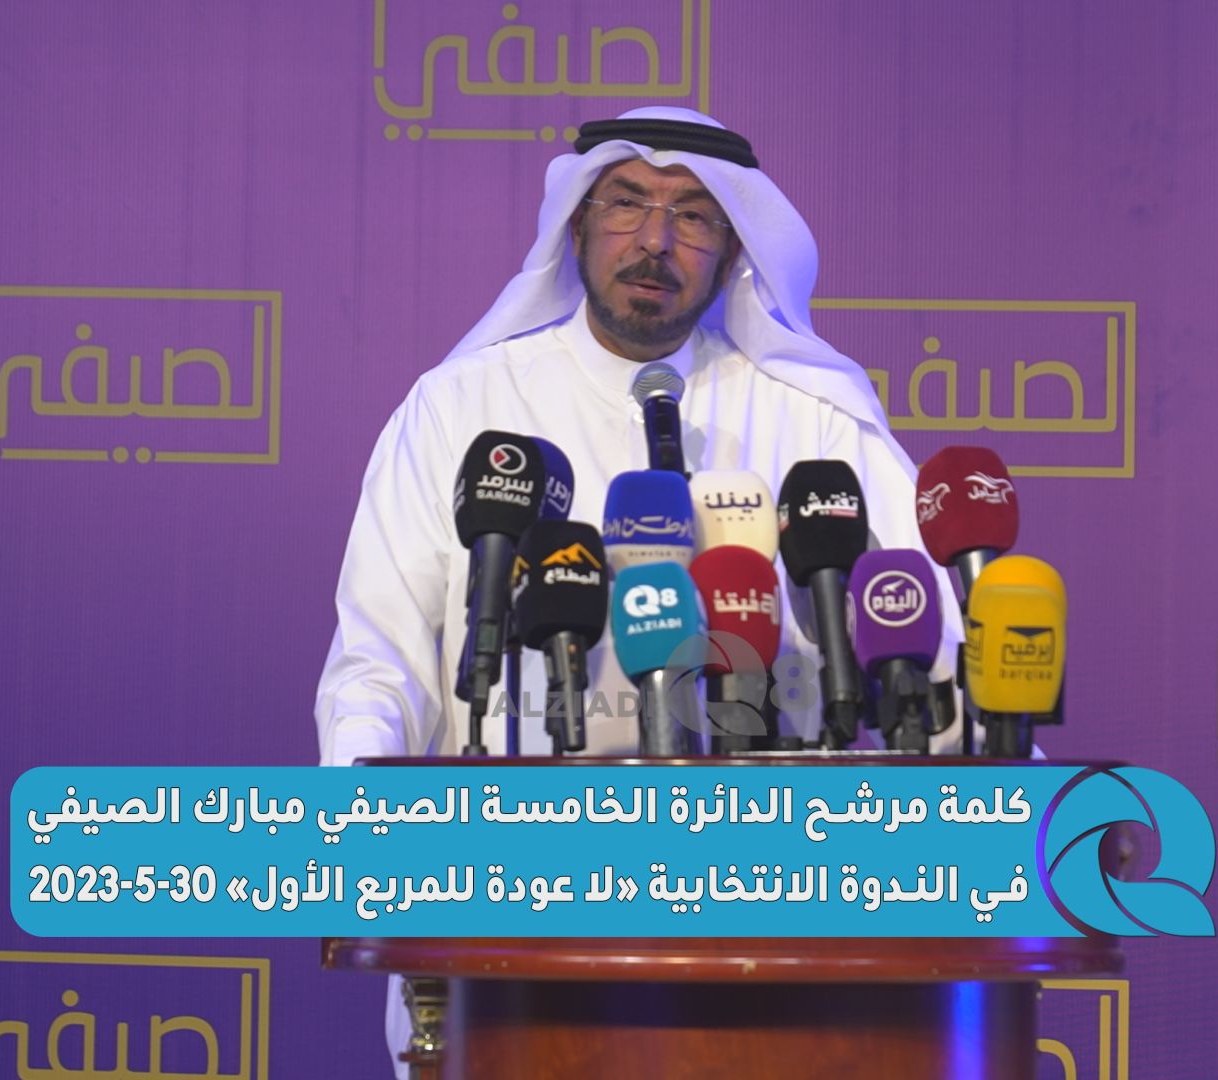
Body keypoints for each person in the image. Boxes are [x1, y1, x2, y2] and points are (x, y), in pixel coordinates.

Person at [312, 106, 965, 1076]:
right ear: (577, 221)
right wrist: (362, 833)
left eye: (693, 215)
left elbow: (935, 655)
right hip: (510, 894)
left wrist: (1002, 829)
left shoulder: (818, 425)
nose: (654, 240)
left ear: (734, 248)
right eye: (626, 203)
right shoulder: (459, 410)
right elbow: (380, 660)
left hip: (776, 909)